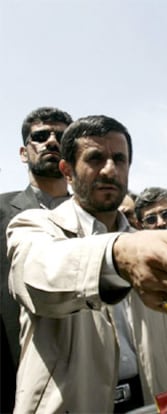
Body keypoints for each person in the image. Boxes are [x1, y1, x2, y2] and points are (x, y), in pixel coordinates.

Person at [6, 115, 167, 413]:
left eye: (119, 159)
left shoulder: (146, 247)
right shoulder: (34, 227)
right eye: (95, 158)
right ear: (67, 171)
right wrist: (115, 255)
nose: (110, 170)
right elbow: (40, 275)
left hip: (152, 402)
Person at [0, 106, 73, 413]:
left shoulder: (98, 217)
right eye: (41, 136)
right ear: (23, 151)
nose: (51, 141)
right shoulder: (2, 212)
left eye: (62, 136)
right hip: (17, 378)